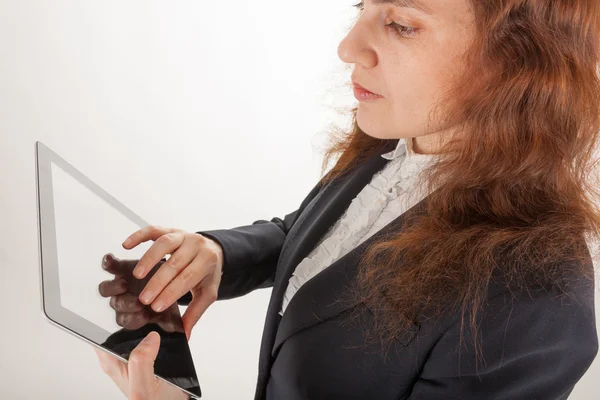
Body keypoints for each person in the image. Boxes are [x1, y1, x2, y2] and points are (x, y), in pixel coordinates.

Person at [94, 0, 600, 399]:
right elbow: (319, 237)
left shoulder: (535, 300)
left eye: (401, 24)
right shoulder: (394, 143)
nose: (347, 46)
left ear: (518, 62)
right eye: (363, 8)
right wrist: (220, 254)